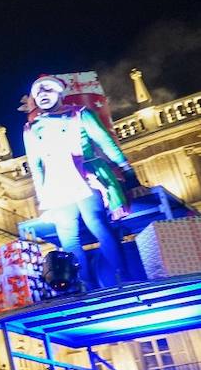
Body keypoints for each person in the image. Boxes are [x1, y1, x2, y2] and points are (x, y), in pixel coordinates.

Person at [22, 74, 139, 289]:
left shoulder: (80, 115)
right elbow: (36, 166)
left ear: (59, 92)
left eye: (47, 89)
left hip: (85, 177)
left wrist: (125, 168)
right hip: (57, 185)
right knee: (68, 237)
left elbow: (105, 142)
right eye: (37, 92)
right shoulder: (31, 129)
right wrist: (43, 199)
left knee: (98, 224)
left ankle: (124, 275)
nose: (42, 94)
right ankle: (85, 284)